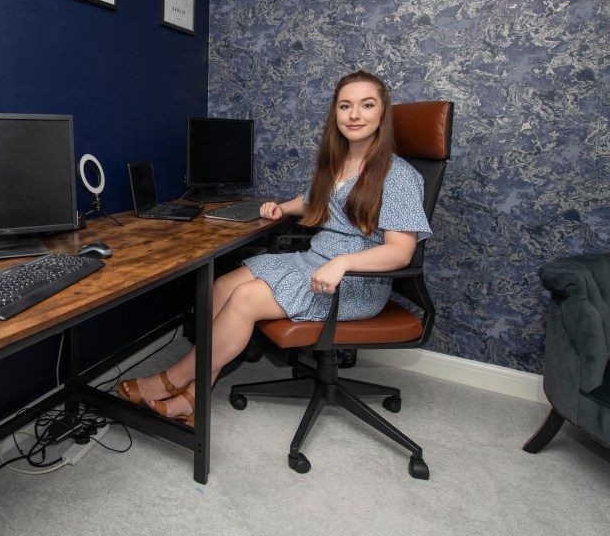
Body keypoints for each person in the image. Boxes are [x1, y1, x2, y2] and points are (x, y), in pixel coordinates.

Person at [117, 70, 431, 425]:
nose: (355, 115)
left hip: (354, 282)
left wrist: (342, 263)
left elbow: (399, 252)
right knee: (221, 287)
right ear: (335, 114)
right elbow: (313, 200)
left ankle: (170, 380)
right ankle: (194, 396)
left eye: (366, 105)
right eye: (346, 106)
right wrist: (282, 208)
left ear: (382, 113)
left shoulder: (399, 175)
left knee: (245, 298)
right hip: (314, 262)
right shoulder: (339, 163)